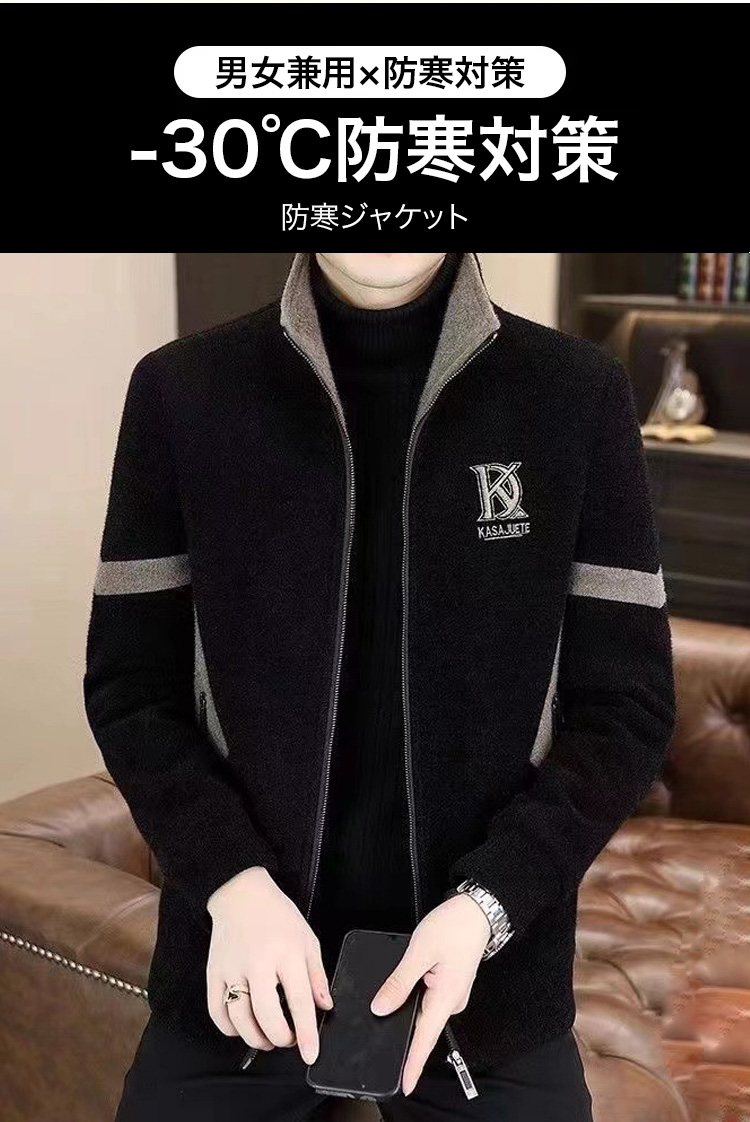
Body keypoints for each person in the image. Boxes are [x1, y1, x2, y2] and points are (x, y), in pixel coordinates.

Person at [84, 252, 675, 1121]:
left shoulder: (575, 393)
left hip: (482, 979)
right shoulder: (183, 390)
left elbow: (627, 709)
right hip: (246, 968)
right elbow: (131, 688)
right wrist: (232, 885)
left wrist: (489, 907)